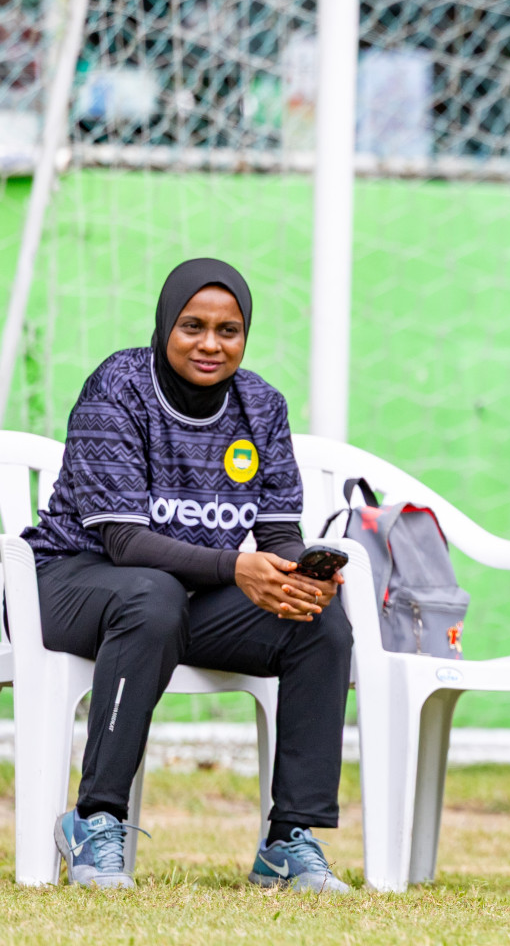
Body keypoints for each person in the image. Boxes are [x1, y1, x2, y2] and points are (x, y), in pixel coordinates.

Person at [20, 258, 353, 892]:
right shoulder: (117, 387)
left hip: (180, 599)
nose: (210, 343)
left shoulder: (261, 405)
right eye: (192, 326)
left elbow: (278, 531)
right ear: (164, 325)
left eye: (228, 330)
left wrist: (296, 574)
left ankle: (289, 840)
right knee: (151, 594)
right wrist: (236, 566)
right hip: (68, 582)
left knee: (316, 620)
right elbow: (121, 540)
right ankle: (94, 818)